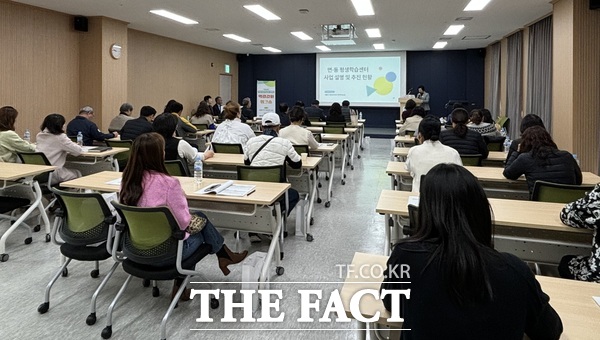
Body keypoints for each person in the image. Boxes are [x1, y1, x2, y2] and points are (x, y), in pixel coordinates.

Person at [381, 163, 563, 339]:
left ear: (427, 211)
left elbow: (391, 302)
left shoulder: (406, 257)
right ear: (481, 210)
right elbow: (550, 330)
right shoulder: (515, 271)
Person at [120, 132, 247, 300]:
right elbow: (183, 222)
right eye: (163, 150)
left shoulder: (127, 181)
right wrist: (180, 197)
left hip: (134, 250)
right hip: (166, 254)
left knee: (199, 217)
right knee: (199, 228)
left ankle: (223, 256)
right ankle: (218, 259)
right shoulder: (168, 184)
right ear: (157, 155)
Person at [244, 112, 301, 243]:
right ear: (278, 127)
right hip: (275, 189)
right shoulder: (284, 143)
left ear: (262, 127)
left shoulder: (251, 142)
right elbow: (297, 164)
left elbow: (247, 163)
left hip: (253, 188)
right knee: (293, 195)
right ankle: (272, 224)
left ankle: (254, 228)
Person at [503, 126, 582, 195]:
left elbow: (508, 173)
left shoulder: (526, 158)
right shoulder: (567, 156)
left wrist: (517, 152)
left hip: (539, 205)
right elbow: (578, 181)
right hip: (566, 206)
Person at [405, 116, 462, 192]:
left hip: (420, 199)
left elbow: (408, 168)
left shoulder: (414, 151)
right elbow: (460, 174)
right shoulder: (453, 152)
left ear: (419, 135)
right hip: (447, 199)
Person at [558, 184, 600, 282]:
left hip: (596, 275)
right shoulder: (571, 167)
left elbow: (568, 214)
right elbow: (577, 180)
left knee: (566, 263)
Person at [35, 113, 83, 184]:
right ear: (60, 125)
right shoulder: (60, 137)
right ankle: (67, 194)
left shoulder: (39, 135)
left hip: (38, 173)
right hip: (53, 173)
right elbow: (78, 151)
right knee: (77, 173)